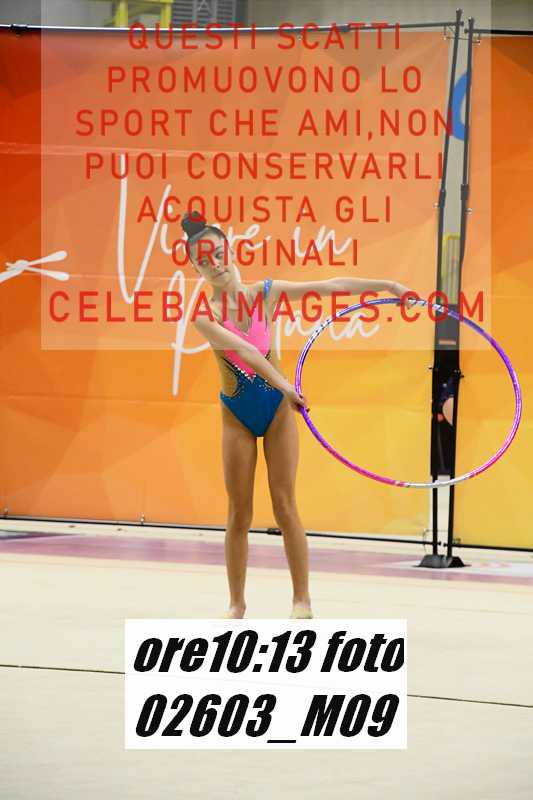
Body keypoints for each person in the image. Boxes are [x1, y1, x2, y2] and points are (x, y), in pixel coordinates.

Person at [183, 211, 412, 619]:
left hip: (276, 412)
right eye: (204, 261)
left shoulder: (265, 294)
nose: (214, 264)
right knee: (239, 513)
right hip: (238, 414)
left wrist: (389, 286)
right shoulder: (204, 314)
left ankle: (301, 599)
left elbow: (330, 287)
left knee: (285, 504)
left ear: (230, 250)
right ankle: (236, 604)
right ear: (195, 267)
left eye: (218, 254)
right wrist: (286, 385)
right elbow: (246, 352)